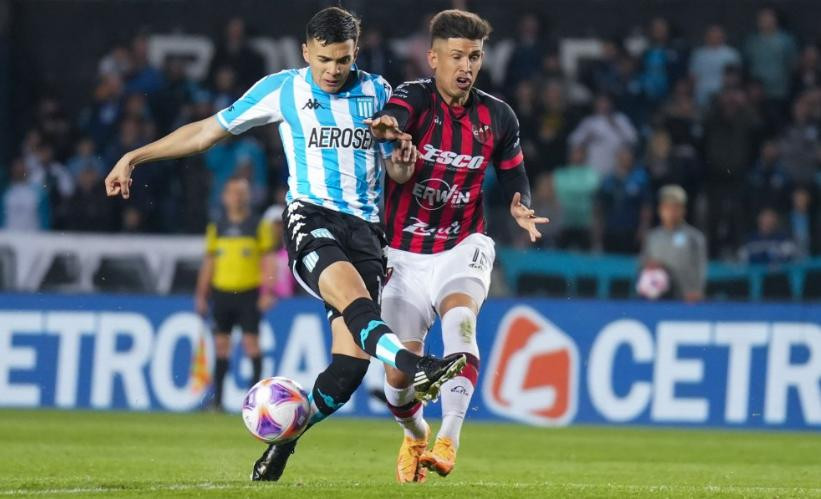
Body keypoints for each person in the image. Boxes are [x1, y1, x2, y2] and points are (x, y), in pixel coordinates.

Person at [103, 6, 466, 482]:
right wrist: (136, 155)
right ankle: (414, 365)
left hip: (366, 233)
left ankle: (284, 441)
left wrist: (402, 159)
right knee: (357, 302)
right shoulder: (283, 88)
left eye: (342, 60)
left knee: (348, 369)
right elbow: (208, 131)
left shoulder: (378, 92)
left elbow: (397, 171)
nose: (333, 71)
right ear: (304, 52)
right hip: (310, 218)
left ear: (354, 52)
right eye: (323, 60)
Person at [366, 9, 548, 482]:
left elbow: (514, 175)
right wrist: (387, 131)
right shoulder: (415, 99)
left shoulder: (498, 116)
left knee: (460, 319)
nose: (465, 66)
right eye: (455, 56)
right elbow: (391, 120)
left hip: (461, 245)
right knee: (399, 379)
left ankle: (449, 437)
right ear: (433, 58)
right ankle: (415, 436)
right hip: (402, 257)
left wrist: (520, 205)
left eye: (474, 56)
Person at [194, 176, 276, 411]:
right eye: (233, 192)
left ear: (248, 196)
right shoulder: (216, 227)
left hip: (249, 293)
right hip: (221, 293)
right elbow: (208, 263)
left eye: (242, 192)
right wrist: (201, 295)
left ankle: (255, 400)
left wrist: (268, 290)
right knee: (221, 345)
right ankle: (218, 400)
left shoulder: (259, 225)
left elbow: (270, 260)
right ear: (225, 197)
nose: (237, 197)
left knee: (252, 344)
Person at [639, 185, 707, 302]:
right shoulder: (653, 237)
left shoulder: (694, 237)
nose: (671, 212)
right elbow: (642, 263)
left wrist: (697, 290)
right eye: (667, 207)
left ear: (683, 210)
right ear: (660, 209)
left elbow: (701, 267)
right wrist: (649, 265)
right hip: (656, 298)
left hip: (686, 297)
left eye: (676, 207)